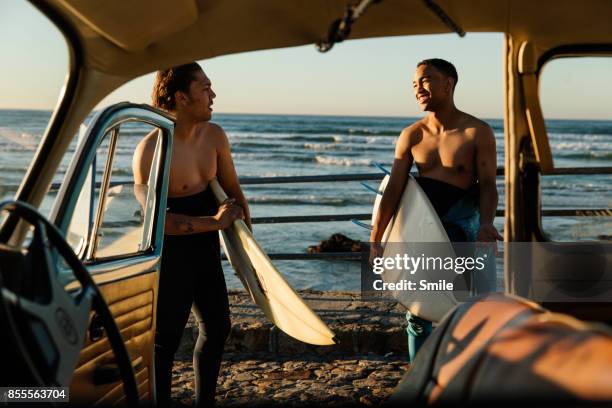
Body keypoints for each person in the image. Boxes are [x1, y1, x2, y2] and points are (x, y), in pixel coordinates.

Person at [132, 62, 251, 407]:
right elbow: (159, 222)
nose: (213, 95)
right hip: (170, 255)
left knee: (218, 328)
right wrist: (214, 223)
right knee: (164, 340)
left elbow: (234, 191)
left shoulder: (214, 136)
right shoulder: (151, 150)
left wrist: (250, 252)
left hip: (206, 252)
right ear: (182, 97)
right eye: (206, 88)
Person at [369, 58, 502, 362]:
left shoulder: (477, 131)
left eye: (425, 80)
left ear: (448, 83)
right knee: (419, 311)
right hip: (423, 231)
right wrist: (377, 238)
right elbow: (393, 190)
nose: (418, 89)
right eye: (414, 84)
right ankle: (422, 378)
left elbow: (488, 186)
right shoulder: (412, 135)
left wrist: (486, 223)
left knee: (477, 310)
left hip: (464, 230)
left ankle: (473, 379)